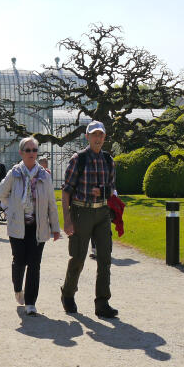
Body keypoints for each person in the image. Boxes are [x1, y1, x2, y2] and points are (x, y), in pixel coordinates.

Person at [60, 121, 119, 318]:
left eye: (101, 135)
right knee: (78, 257)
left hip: (102, 213)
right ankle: (68, 294)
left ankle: (102, 302)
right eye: (94, 134)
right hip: (81, 212)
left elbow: (111, 190)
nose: (98, 138)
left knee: (105, 258)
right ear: (87, 136)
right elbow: (66, 191)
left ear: (104, 137)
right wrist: (67, 220)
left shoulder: (109, 160)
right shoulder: (79, 159)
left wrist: (102, 191)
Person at [0, 137, 60, 316]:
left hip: (38, 226)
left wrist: (55, 228)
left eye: (34, 150)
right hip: (17, 225)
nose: (32, 153)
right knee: (19, 261)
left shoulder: (44, 175)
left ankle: (31, 302)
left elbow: (51, 204)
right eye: (28, 150)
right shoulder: (14, 173)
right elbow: (1, 193)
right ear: (21, 153)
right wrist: (12, 208)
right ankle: (18, 288)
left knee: (35, 264)